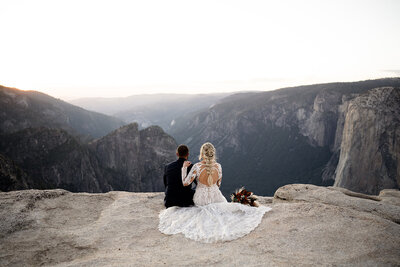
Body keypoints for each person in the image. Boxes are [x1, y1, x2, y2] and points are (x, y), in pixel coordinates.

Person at [159, 142, 271, 243]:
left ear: (202, 153)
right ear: (213, 154)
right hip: (216, 196)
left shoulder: (196, 167)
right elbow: (218, 185)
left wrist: (184, 168)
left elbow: (185, 183)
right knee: (225, 211)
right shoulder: (219, 167)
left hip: (201, 199)